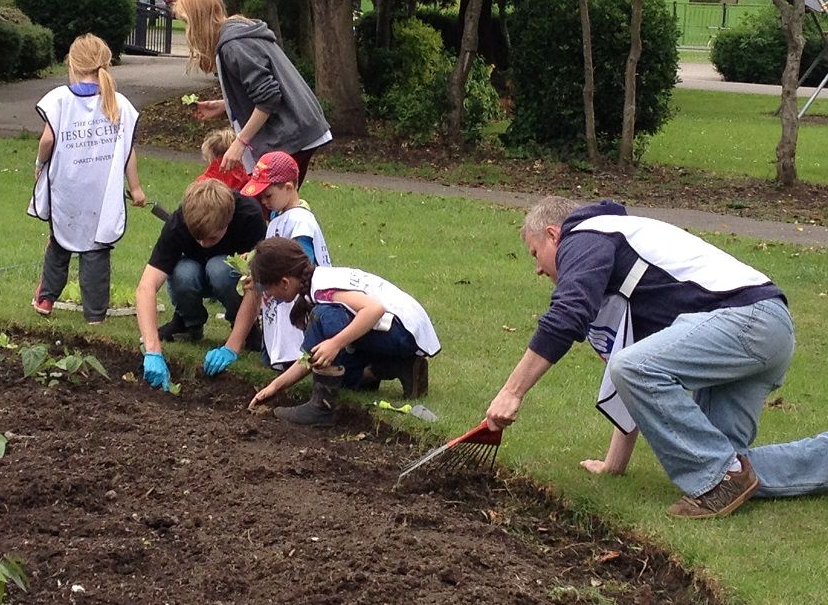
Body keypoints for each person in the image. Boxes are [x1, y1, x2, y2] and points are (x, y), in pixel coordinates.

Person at [486, 196, 828, 519]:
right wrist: (613, 465)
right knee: (726, 463)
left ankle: (724, 478)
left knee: (713, 467)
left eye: (535, 254)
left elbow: (569, 315)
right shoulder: (628, 267)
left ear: (553, 235)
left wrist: (512, 392)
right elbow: (632, 377)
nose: (538, 269)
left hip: (747, 321)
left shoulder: (586, 233)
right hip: (764, 329)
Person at [246, 237, 440, 426]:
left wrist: (335, 343)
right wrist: (275, 386)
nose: (267, 294)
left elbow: (374, 310)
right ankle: (397, 366)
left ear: (285, 282)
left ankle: (322, 407)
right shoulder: (317, 282)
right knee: (341, 376)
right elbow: (308, 358)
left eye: (265, 287)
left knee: (322, 316)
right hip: (401, 333)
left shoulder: (323, 290)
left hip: (403, 331)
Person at [28, 33, 146, 324]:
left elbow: (47, 140)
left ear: (72, 64)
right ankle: (95, 315)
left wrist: (40, 163)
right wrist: (136, 187)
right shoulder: (118, 103)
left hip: (68, 187)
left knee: (59, 242)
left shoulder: (59, 100)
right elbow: (127, 151)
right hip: (102, 193)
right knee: (97, 249)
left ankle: (45, 299)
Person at [174, 0, 331, 184]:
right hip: (300, 131)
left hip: (292, 136)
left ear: (198, 19)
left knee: (259, 207)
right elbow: (263, 89)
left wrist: (239, 143)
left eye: (187, 22)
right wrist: (224, 105)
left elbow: (269, 98)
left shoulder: (233, 45)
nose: (187, 31)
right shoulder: (237, 34)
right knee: (264, 207)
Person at [201, 152, 332, 378]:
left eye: (268, 195)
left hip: (299, 312)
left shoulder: (300, 221)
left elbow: (302, 264)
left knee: (296, 360)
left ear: (289, 187)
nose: (263, 201)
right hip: (278, 314)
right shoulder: (277, 217)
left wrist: (266, 275)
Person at [136, 179, 265, 391]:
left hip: (230, 278)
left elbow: (256, 285)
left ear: (227, 221)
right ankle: (189, 324)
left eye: (211, 237)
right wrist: (152, 350)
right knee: (182, 272)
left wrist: (232, 347)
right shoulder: (179, 222)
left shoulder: (249, 216)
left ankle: (246, 329)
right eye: (197, 238)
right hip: (193, 273)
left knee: (219, 268)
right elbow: (146, 287)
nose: (203, 244)